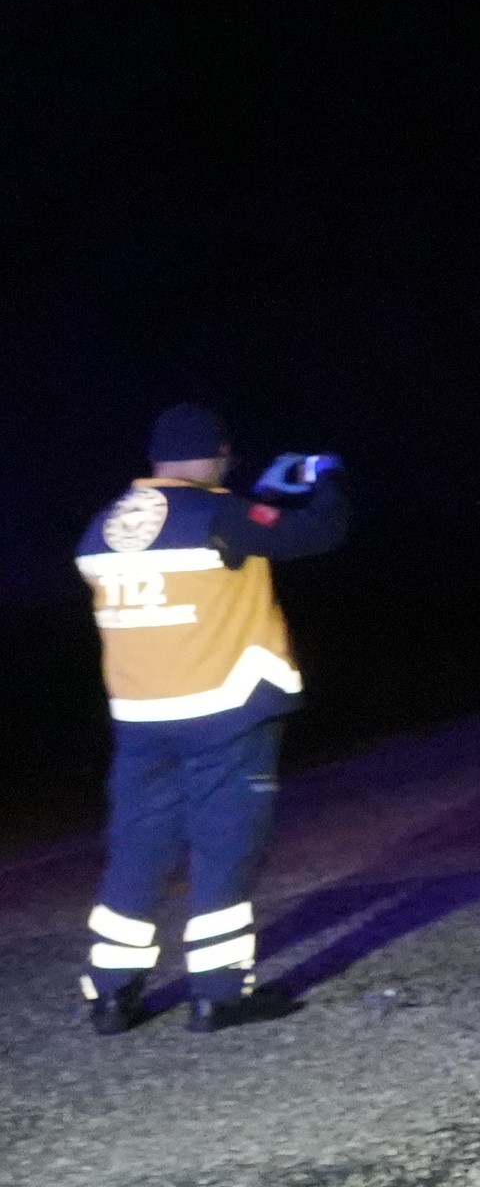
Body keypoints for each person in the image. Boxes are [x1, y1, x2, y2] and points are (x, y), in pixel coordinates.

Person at [73, 405, 349, 1031]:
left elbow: (225, 529)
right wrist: (325, 475)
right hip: (224, 712)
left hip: (143, 720)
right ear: (218, 452)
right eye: (227, 458)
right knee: (225, 850)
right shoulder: (219, 514)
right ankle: (218, 993)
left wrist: (263, 497)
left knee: (137, 854)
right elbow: (318, 532)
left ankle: (112, 996)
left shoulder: (105, 525)